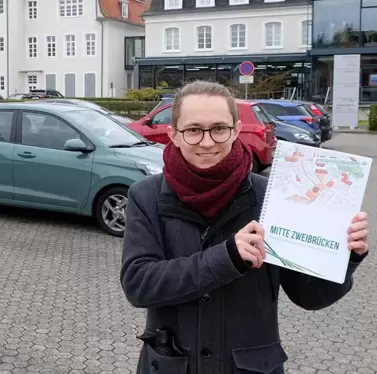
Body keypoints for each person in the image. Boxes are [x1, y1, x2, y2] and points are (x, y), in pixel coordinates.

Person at [120, 80, 369, 374]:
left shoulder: (274, 197)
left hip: (250, 368)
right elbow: (139, 285)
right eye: (193, 130)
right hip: (172, 365)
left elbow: (310, 296)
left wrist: (345, 256)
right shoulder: (146, 196)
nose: (208, 141)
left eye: (219, 128)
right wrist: (227, 257)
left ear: (236, 130)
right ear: (173, 134)